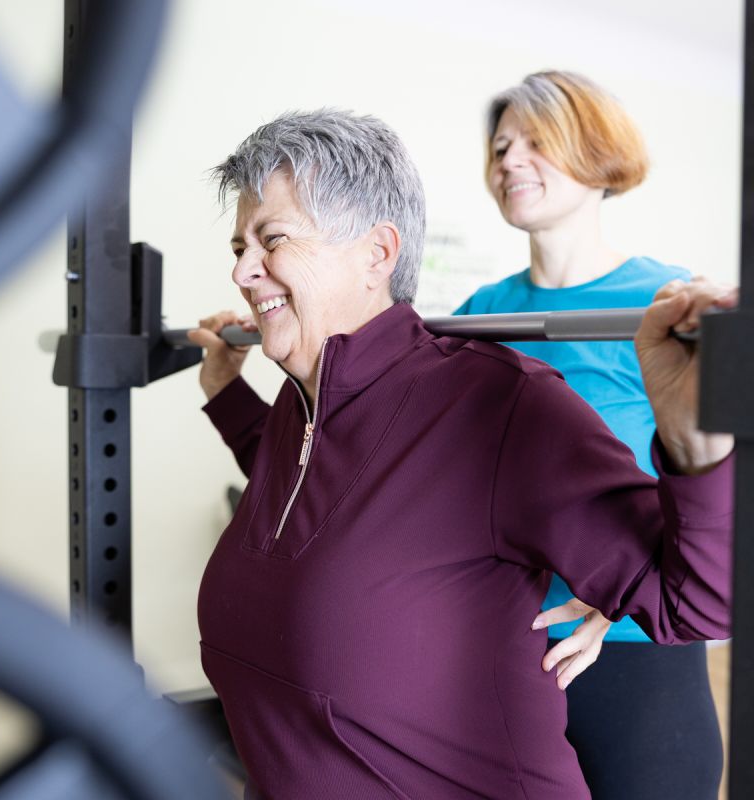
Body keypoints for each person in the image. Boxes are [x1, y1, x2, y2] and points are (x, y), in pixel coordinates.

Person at [188, 109, 735, 800]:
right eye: (239, 246)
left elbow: (697, 602)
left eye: (272, 240)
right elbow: (331, 508)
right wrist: (224, 395)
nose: (241, 270)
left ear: (377, 254)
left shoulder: (497, 402)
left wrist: (695, 445)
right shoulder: (301, 406)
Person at [453, 70, 725, 800]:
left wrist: (617, 591)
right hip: (503, 646)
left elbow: (718, 486)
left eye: (535, 142)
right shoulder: (479, 314)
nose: (509, 160)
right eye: (501, 147)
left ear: (597, 154)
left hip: (636, 647)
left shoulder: (667, 303)